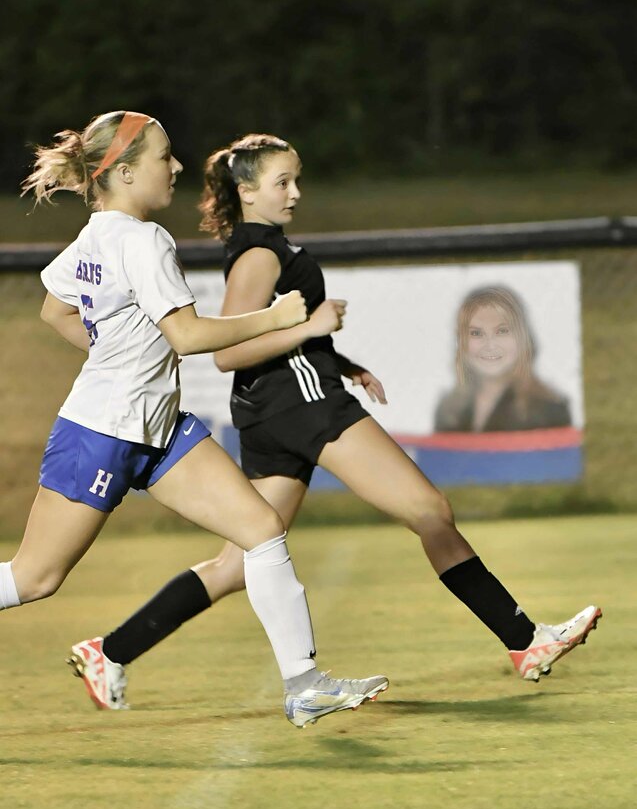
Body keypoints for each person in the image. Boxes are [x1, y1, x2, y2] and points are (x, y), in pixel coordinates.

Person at [69, 132, 601, 711]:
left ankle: (111, 651)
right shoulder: (259, 255)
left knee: (238, 563)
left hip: (277, 409)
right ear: (246, 191)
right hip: (303, 406)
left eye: (296, 179)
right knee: (430, 511)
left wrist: (340, 361)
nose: (295, 192)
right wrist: (312, 329)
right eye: (282, 182)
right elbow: (227, 353)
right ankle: (525, 641)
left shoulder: (266, 244)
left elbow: (272, 338)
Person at [1, 112, 389, 730]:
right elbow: (184, 336)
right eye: (164, 156)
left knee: (262, 530)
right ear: (125, 172)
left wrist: (120, 362)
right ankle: (304, 685)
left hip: (156, 428)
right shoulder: (142, 239)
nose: (176, 167)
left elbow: (55, 311)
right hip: (102, 433)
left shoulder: (95, 236)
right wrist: (281, 317)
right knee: (34, 578)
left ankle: (306, 685)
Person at [435, 286, 572, 433]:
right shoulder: (448, 411)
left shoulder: (549, 411)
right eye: (476, 333)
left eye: (502, 331)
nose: (490, 345)